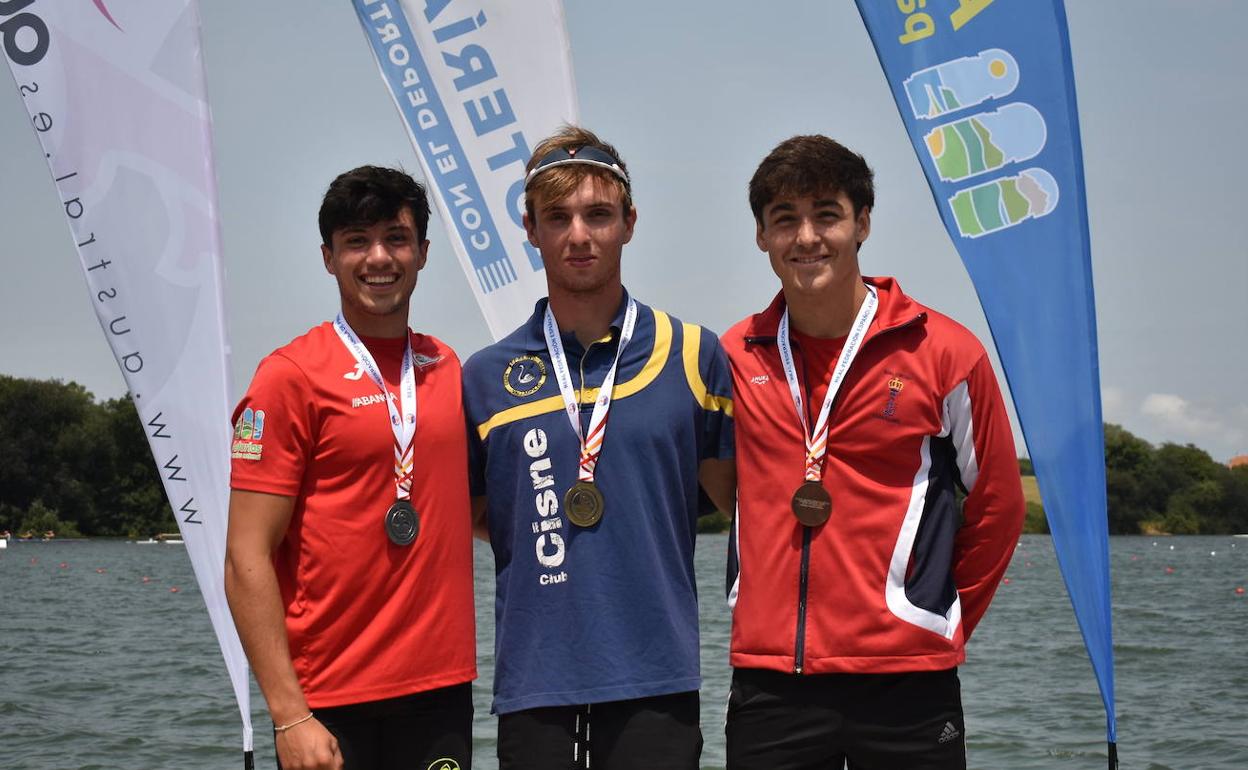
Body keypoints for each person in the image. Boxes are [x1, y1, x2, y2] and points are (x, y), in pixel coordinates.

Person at [721, 135, 1025, 769]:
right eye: (785, 219)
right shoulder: (733, 354)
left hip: (908, 683)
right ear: (761, 236)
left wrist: (933, 618)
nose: (807, 237)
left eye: (826, 214)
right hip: (773, 681)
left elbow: (998, 505)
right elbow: (718, 487)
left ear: (862, 222)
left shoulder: (945, 351)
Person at [461, 125, 736, 770]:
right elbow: (481, 514)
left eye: (598, 215)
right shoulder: (482, 376)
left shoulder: (696, 355)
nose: (579, 235)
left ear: (630, 223)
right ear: (530, 229)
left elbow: (738, 503)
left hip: (656, 676)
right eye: (557, 217)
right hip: (534, 681)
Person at [224, 166, 475, 770]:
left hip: (439, 692)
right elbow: (245, 557)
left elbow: (482, 510)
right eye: (357, 242)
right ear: (329, 258)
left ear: (423, 253)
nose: (379, 258)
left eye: (396, 237)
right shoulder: (289, 376)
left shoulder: (448, 368)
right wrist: (289, 715)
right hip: (327, 702)